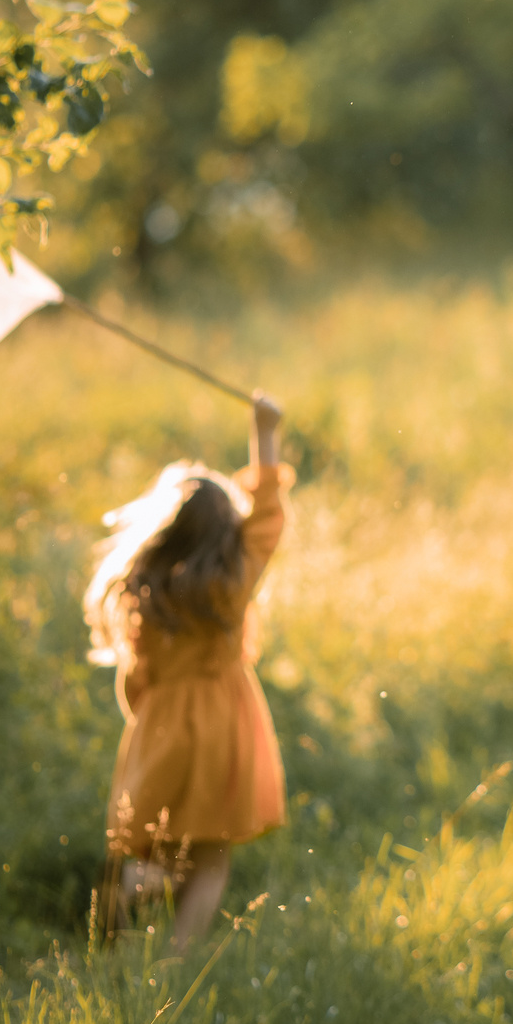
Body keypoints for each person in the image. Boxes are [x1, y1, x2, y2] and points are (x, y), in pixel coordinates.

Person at [84, 390, 292, 955]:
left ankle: (136, 887)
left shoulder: (147, 593)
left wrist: (148, 719)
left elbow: (135, 682)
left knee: (157, 842)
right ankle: (180, 960)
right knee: (211, 853)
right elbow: (268, 516)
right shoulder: (229, 585)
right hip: (225, 729)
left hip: (163, 728)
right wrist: (264, 432)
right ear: (225, 534)